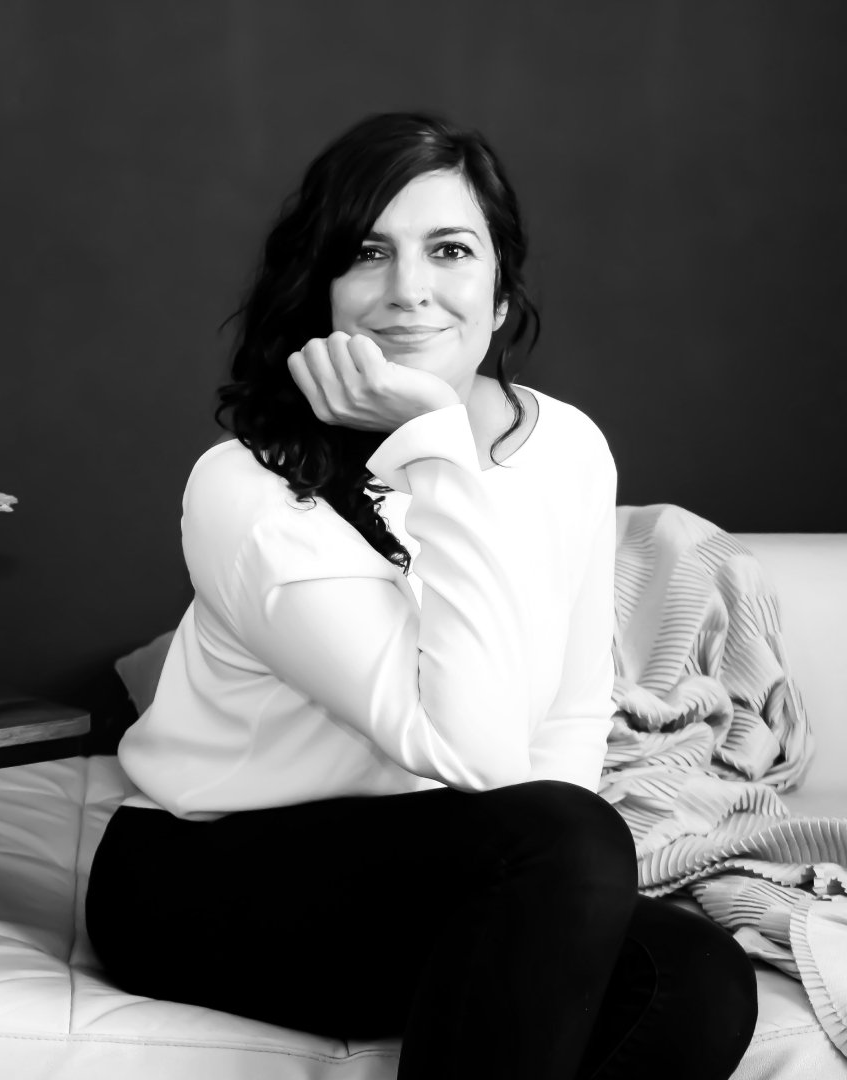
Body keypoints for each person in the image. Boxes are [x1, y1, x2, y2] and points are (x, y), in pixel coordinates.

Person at [86, 112, 757, 1079]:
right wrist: (437, 440)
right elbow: (475, 751)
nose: (409, 291)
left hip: (453, 863)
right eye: (368, 253)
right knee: (567, 837)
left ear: (497, 295)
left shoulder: (566, 446)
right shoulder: (247, 487)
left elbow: (568, 710)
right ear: (322, 292)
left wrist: (570, 899)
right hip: (210, 875)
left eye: (449, 249)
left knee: (696, 978)